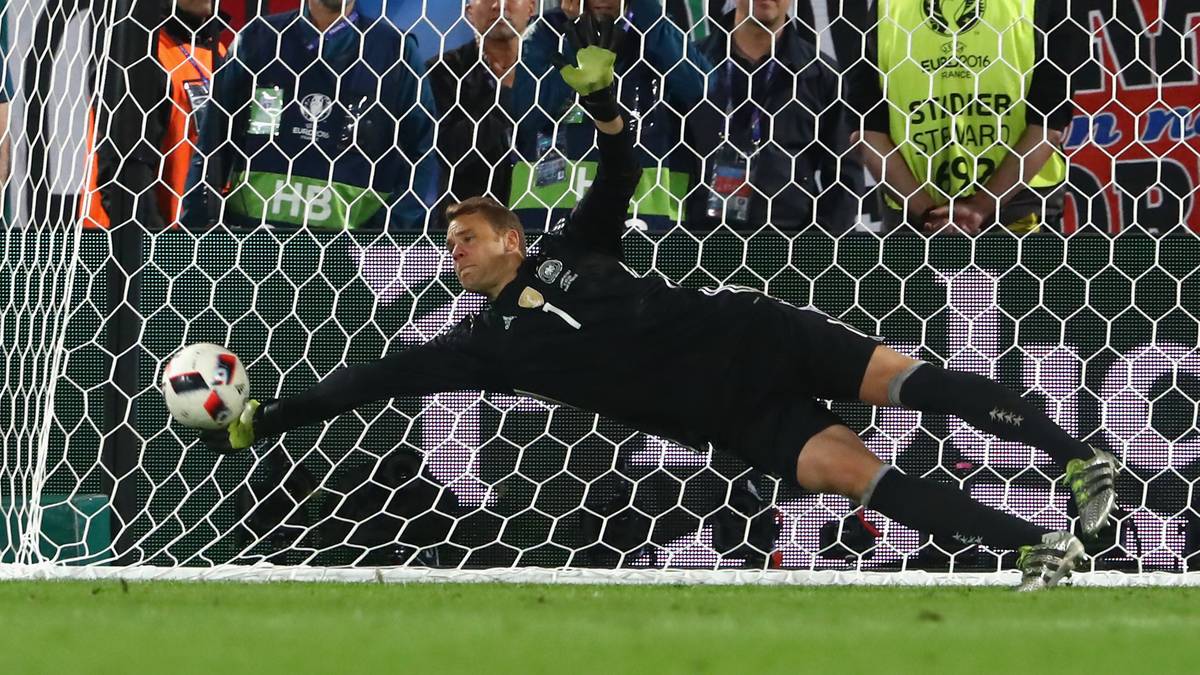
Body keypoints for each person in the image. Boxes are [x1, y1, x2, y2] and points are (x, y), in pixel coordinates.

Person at [202, 16, 1118, 590]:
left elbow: (622, 172)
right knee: (857, 474)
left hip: (754, 337)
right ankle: (1036, 545)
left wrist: (604, 110)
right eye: (450, 244)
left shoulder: (572, 246)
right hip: (729, 414)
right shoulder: (482, 346)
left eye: (469, 236)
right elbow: (372, 381)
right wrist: (271, 415)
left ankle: (1077, 458)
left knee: (907, 383)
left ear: (514, 237)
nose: (457, 250)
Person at [180, 0, 436, 230]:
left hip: (348, 254)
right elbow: (212, 143)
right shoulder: (257, 40)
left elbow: (423, 153)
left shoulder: (395, 52)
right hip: (255, 243)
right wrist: (198, 227)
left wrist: (386, 233)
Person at [844, 0, 1085, 234]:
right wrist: (977, 210)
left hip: (919, 220)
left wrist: (929, 214)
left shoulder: (888, 5)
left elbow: (866, 132)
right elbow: (1048, 126)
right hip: (1017, 216)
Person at [510, 0, 707, 231]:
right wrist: (577, 39)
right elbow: (530, 115)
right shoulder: (545, 33)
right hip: (551, 216)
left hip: (645, 218)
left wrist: (649, 14)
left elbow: (700, 90)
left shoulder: (654, 31)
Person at [688, 0, 860, 231]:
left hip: (790, 244)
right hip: (700, 241)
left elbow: (844, 177)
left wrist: (815, 250)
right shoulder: (689, 66)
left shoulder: (820, 75)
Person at [82, 0, 225, 229]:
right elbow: (121, 170)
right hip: (126, 245)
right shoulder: (138, 52)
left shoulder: (217, 51)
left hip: (188, 240)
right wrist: (155, 246)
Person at [425, 0, 538, 212]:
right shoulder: (444, 71)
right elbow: (448, 151)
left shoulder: (551, 70)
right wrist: (504, 94)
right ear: (468, 12)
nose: (499, 6)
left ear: (532, 7)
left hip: (542, 213)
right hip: (469, 221)